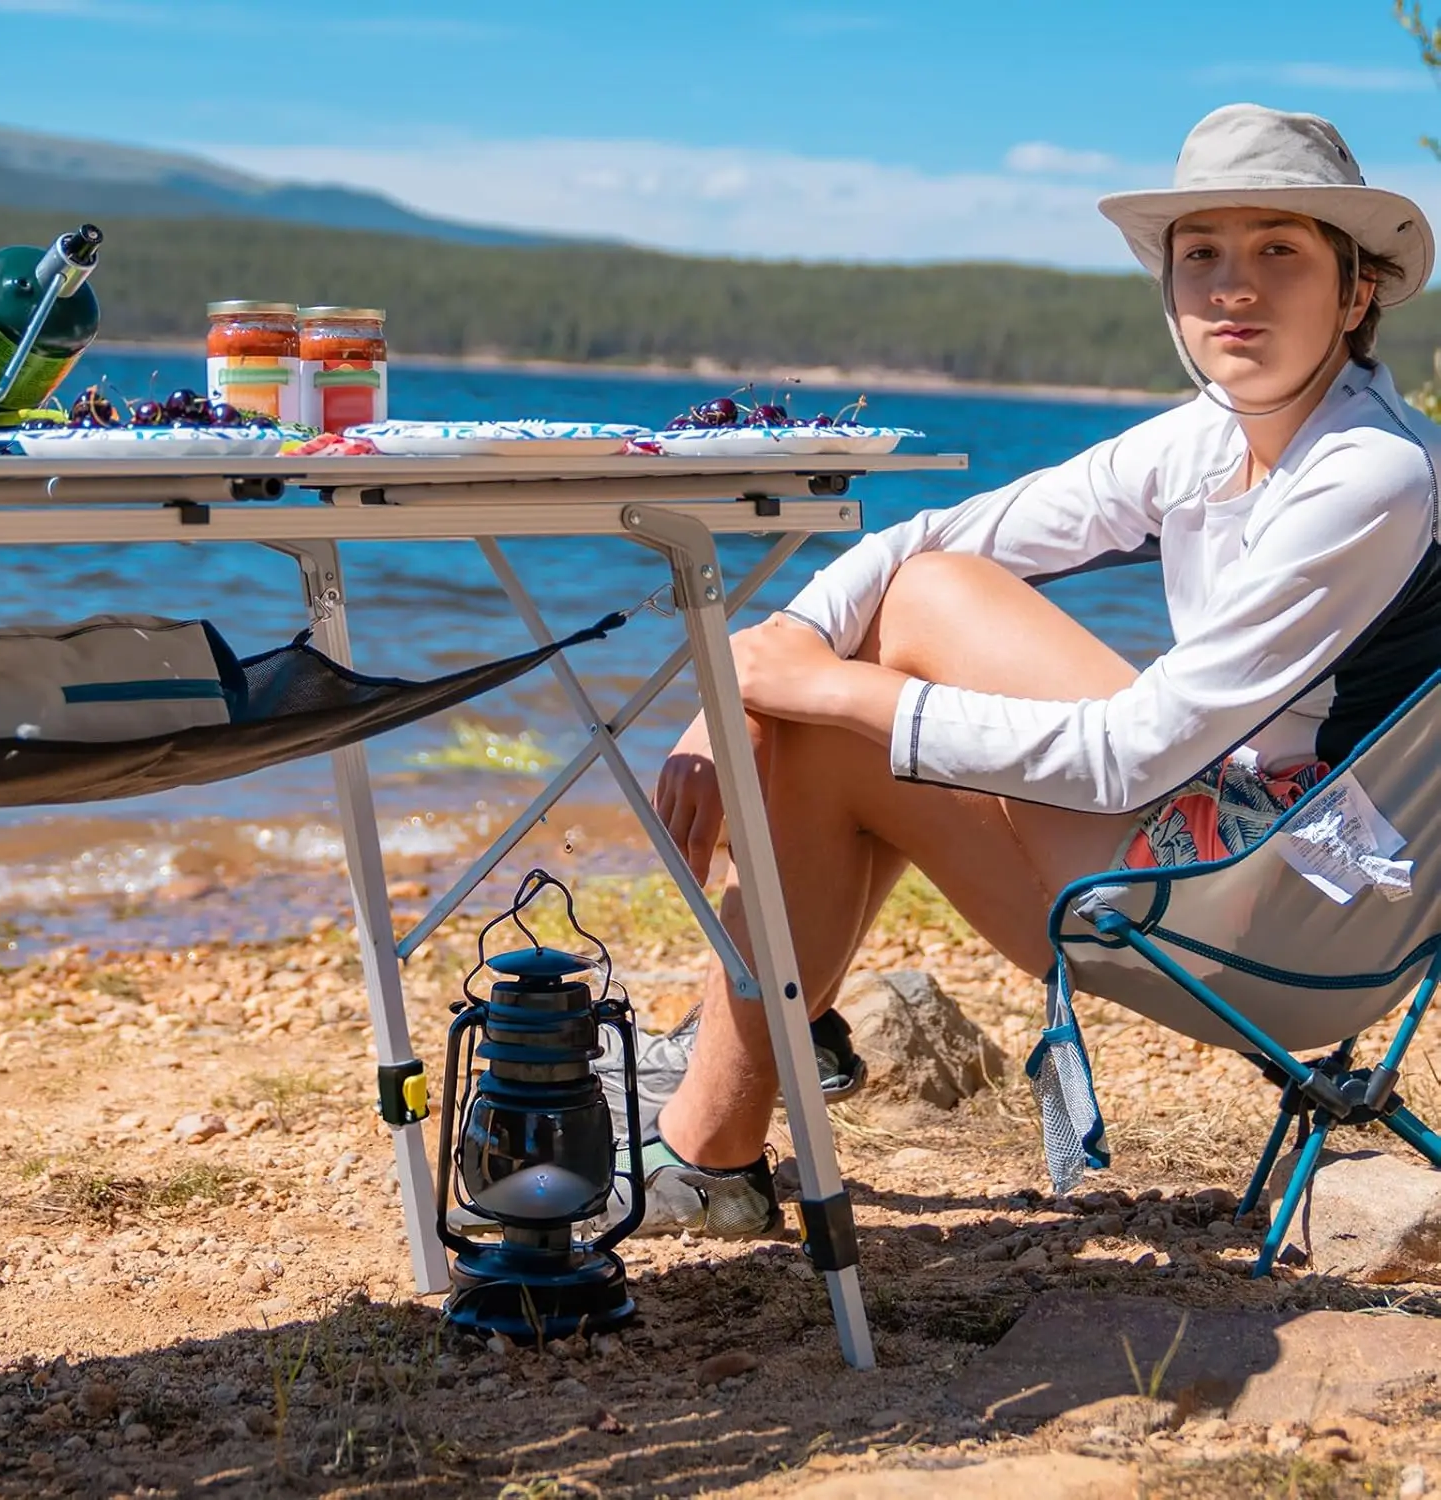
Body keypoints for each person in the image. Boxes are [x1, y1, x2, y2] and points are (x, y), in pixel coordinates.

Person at [453, 102, 1441, 1241]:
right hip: (1221, 869)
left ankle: (712, 1125)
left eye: (1280, 251)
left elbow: (1134, 752)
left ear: (1356, 291)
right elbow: (930, 534)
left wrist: (828, 686)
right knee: (872, 662)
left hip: (1300, 926)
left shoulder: (1370, 474)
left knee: (900, 637)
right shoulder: (1212, 436)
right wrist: (726, 707)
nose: (1233, 288)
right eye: (1202, 254)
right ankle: (709, 1147)